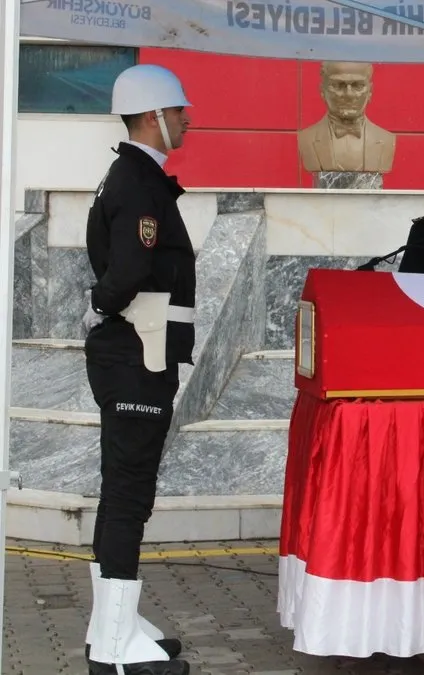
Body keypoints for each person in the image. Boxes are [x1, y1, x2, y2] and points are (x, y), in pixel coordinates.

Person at [80, 63, 196, 674]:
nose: (187, 118)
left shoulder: (133, 177)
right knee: (128, 496)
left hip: (136, 353)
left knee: (123, 492)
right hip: (136, 354)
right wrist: (100, 306)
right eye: (179, 110)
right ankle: (113, 651)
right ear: (154, 116)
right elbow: (125, 271)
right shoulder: (138, 183)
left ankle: (115, 623)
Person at [297, 61, 396, 173]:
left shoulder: (386, 139)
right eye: (338, 85)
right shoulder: (307, 138)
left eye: (358, 86)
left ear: (370, 91)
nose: (349, 94)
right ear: (322, 91)